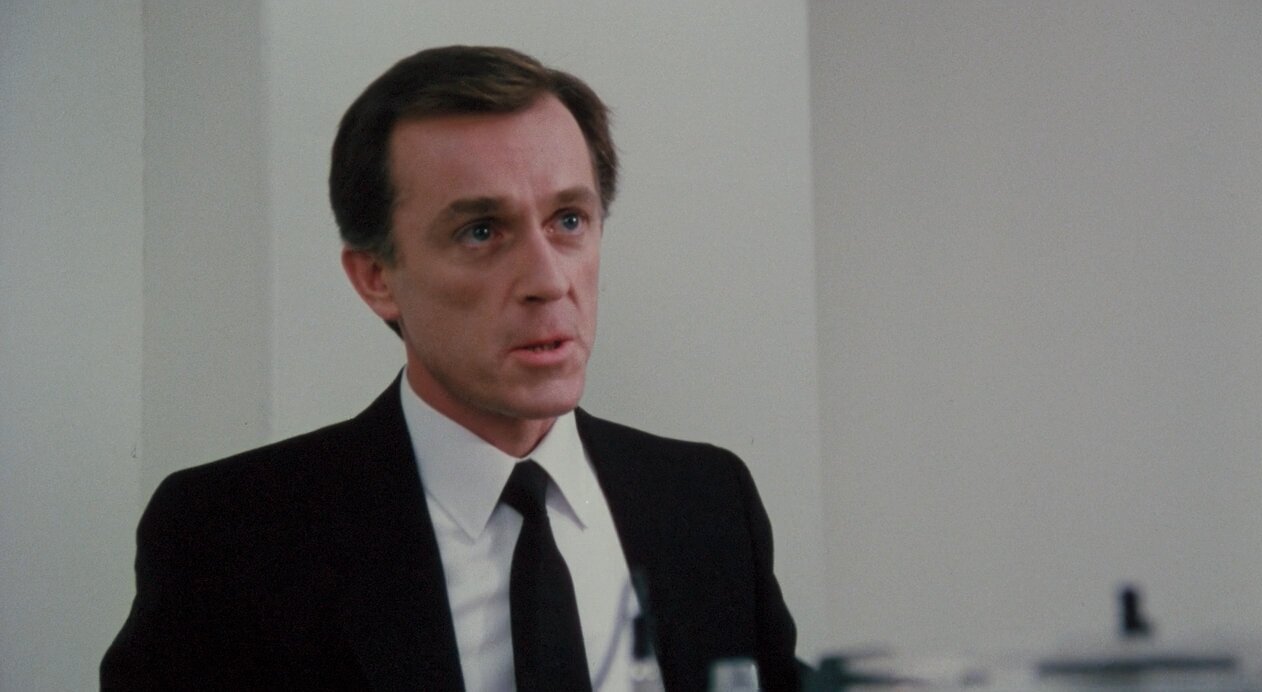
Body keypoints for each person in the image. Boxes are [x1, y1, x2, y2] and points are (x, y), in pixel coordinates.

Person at [101, 45, 798, 691]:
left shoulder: (708, 502)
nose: (548, 281)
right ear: (376, 277)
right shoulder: (233, 536)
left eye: (568, 220)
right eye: (481, 231)